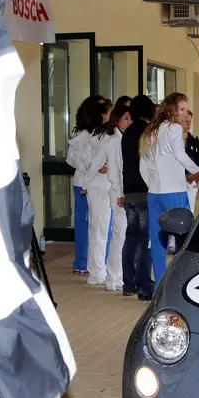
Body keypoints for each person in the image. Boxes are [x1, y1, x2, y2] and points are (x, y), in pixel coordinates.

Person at [139, 92, 199, 284]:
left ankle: (160, 284)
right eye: (181, 109)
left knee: (158, 243)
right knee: (183, 240)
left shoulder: (151, 131)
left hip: (154, 193)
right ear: (172, 109)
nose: (185, 114)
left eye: (185, 110)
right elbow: (180, 155)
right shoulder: (174, 128)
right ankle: (180, 283)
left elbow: (143, 166)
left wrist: (152, 185)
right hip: (174, 192)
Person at [120, 95, 156, 300]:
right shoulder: (147, 132)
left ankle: (129, 283)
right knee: (145, 239)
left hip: (129, 191)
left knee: (131, 237)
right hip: (145, 190)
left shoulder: (127, 132)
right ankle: (144, 286)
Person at [66, 96, 104, 275]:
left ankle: (90, 261)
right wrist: (90, 168)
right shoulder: (82, 134)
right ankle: (82, 262)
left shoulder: (98, 133)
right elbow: (71, 158)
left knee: (93, 224)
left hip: (92, 182)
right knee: (85, 224)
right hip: (83, 184)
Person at [81, 98, 114, 286]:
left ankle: (100, 269)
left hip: (105, 186)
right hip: (97, 186)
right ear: (103, 115)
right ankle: (96, 272)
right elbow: (86, 159)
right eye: (110, 113)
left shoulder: (107, 134)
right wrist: (93, 170)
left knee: (103, 228)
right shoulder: (95, 135)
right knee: (98, 229)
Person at [104, 99, 132, 290]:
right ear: (117, 120)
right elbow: (115, 170)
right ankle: (113, 277)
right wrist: (120, 193)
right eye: (125, 118)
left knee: (121, 234)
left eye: (130, 118)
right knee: (119, 234)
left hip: (121, 190)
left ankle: (116, 276)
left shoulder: (123, 137)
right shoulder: (115, 139)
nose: (129, 122)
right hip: (118, 191)